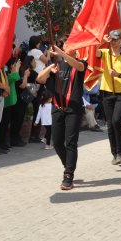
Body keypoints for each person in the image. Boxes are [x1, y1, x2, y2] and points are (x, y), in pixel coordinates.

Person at [35, 44, 87, 191]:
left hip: (73, 109)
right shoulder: (56, 65)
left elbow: (78, 66)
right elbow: (39, 79)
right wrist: (48, 69)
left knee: (71, 142)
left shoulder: (80, 63)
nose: (67, 47)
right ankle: (68, 164)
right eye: (65, 45)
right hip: (57, 108)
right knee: (57, 142)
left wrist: (61, 53)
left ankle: (68, 174)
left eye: (70, 46)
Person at [95, 30, 121, 165]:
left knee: (117, 120)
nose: (113, 42)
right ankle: (115, 153)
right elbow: (94, 51)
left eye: (116, 40)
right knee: (110, 124)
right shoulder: (106, 53)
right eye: (112, 39)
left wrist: (118, 75)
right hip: (107, 92)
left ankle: (120, 152)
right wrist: (102, 41)